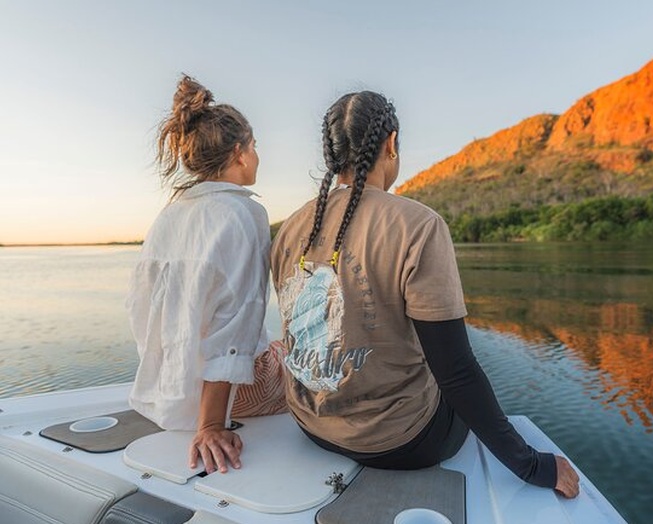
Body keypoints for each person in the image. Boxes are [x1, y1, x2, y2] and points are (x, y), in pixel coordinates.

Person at [271, 91, 580, 498]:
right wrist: (532, 465)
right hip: (399, 443)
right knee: (456, 373)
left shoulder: (291, 227)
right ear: (391, 144)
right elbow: (456, 372)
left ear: (332, 153)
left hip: (311, 427)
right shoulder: (418, 225)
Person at [126, 75, 285, 476]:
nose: (257, 155)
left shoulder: (169, 215)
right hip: (236, 393)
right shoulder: (244, 213)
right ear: (240, 153)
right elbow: (236, 326)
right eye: (255, 146)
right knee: (312, 356)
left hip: (172, 386)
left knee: (281, 344)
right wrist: (211, 425)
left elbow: (139, 307)